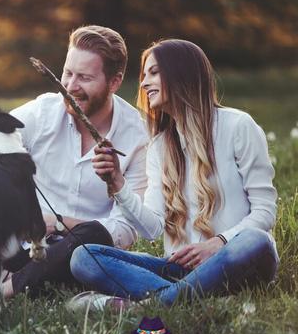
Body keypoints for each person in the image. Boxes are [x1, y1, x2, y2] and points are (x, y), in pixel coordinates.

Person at [0, 25, 149, 298]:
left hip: (80, 253)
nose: (71, 87)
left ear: (114, 81)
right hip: (22, 247)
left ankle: (4, 291)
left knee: (93, 239)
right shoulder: (43, 111)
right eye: (67, 73)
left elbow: (125, 229)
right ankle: (27, 284)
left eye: (84, 77)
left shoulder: (139, 137)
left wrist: (57, 222)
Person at [69, 39, 278, 309]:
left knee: (255, 240)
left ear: (182, 72)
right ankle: (195, 301)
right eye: (144, 75)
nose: (143, 83)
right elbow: (152, 228)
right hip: (183, 270)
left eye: (153, 72)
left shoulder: (238, 126)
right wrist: (119, 184)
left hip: (238, 258)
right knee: (84, 257)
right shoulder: (159, 146)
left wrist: (218, 243)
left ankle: (148, 305)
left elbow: (265, 213)